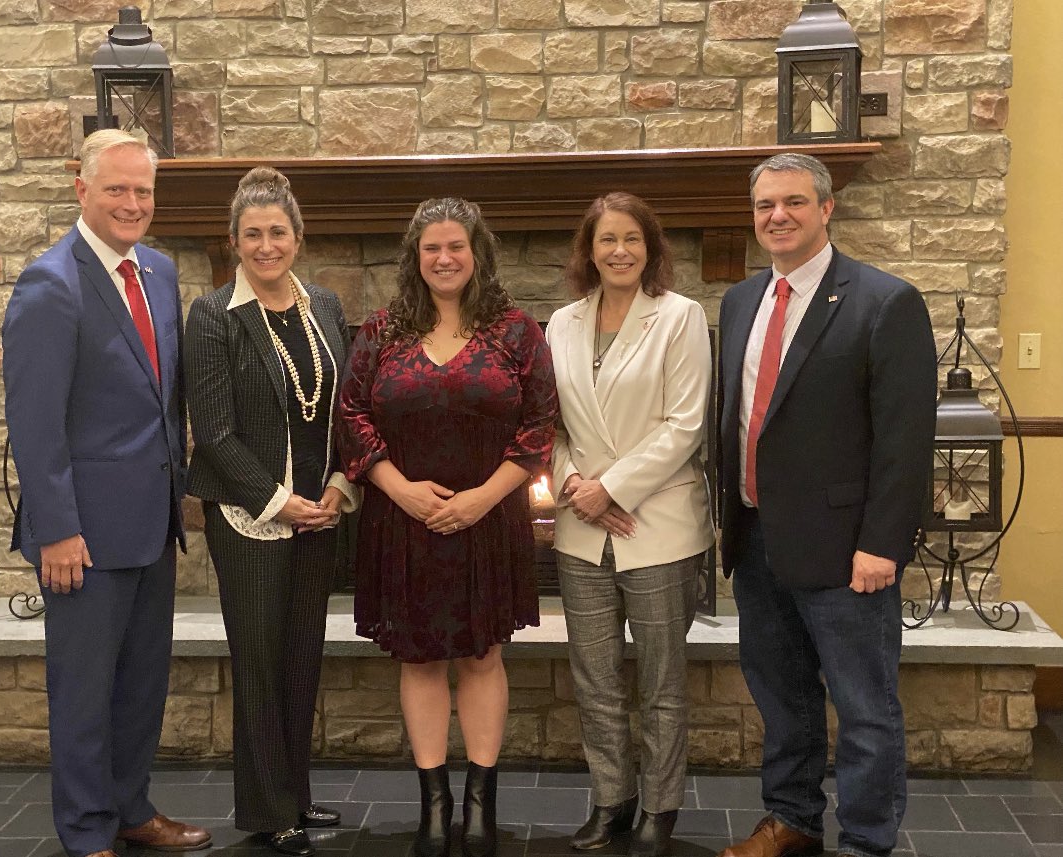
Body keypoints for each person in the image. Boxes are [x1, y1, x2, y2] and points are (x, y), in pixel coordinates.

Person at [716, 153, 936, 857]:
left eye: (793, 202)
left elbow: (906, 441)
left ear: (826, 208)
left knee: (865, 710)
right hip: (756, 540)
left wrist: (883, 544)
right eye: (764, 206)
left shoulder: (884, 300)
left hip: (847, 553)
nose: (777, 216)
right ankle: (792, 820)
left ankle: (867, 841)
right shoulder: (741, 300)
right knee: (783, 700)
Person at [3, 129, 210, 857]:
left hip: (150, 524)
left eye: (143, 190)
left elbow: (163, 401)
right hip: (82, 536)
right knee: (85, 693)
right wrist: (56, 527)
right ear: (81, 189)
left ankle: (130, 807)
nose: (132, 203)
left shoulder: (157, 270)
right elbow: (35, 421)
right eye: (117, 188)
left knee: (140, 687)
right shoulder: (49, 283)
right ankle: (87, 829)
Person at [338, 198, 557, 857]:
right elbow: (351, 416)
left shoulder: (517, 332)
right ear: (415, 256)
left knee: (483, 653)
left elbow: (540, 426)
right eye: (431, 247)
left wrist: (482, 499)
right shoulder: (381, 332)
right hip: (403, 524)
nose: (444, 257)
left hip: (488, 522)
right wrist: (399, 488)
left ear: (476, 252)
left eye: (456, 246)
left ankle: (480, 803)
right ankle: (434, 804)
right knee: (421, 657)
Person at [183, 167, 355, 856]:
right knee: (258, 658)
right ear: (232, 242)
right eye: (251, 234)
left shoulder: (328, 307)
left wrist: (340, 488)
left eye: (276, 231)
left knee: (300, 657)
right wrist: (283, 502)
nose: (265, 244)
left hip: (323, 510)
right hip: (250, 516)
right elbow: (215, 433)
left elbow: (349, 411)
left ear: (298, 237)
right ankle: (266, 805)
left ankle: (297, 790)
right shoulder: (211, 316)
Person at [546, 192, 714, 857]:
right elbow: (546, 424)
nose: (618, 251)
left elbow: (687, 424)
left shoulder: (680, 317)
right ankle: (610, 798)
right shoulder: (560, 322)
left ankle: (660, 806)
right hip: (581, 530)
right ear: (589, 249)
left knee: (663, 683)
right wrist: (574, 486)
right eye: (606, 239)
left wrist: (610, 488)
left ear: (651, 249)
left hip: (659, 526)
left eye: (631, 240)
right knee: (595, 679)